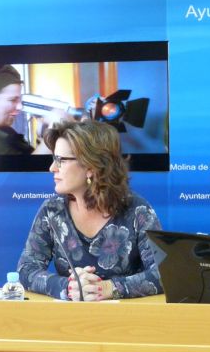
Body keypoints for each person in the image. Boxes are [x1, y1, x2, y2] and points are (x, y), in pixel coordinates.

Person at [17, 120, 162, 301]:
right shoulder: (52, 210)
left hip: (127, 315)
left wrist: (108, 288)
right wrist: (68, 287)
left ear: (90, 167)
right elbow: (26, 269)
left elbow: (163, 273)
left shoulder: (137, 210)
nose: (52, 168)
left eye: (61, 160)